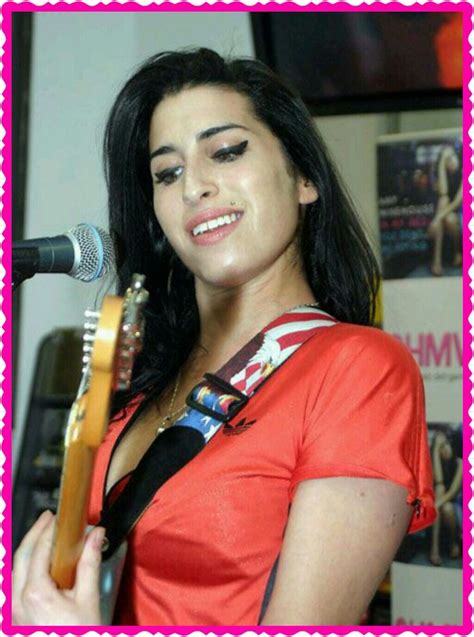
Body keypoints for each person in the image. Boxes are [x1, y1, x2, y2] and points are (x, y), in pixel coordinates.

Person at [13, 48, 435, 626]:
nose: (195, 187)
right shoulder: (136, 384)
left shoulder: (359, 369)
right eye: (168, 172)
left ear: (304, 176)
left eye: (227, 151)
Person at [427, 144, 462, 276]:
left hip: (456, 216)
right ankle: (437, 260)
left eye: (452, 156)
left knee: (450, 217)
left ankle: (456, 253)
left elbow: (457, 203)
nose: (452, 161)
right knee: (443, 200)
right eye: (447, 159)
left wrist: (437, 219)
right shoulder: (441, 175)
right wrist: (442, 163)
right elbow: (443, 192)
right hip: (443, 218)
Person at [429, 430, 462, 566]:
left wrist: (436, 505)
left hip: (457, 505)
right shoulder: (435, 465)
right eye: (440, 447)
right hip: (440, 504)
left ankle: (454, 542)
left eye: (447, 444)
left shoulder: (460, 463)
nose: (445, 449)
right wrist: (435, 452)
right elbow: (439, 483)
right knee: (440, 488)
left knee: (447, 508)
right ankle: (434, 548)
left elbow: (453, 492)